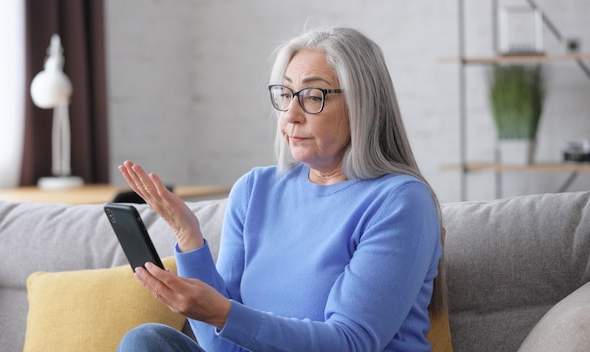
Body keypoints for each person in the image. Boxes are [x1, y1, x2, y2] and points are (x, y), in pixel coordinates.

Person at [116, 27, 446, 352]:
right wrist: (188, 235)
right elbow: (221, 345)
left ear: (363, 104)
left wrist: (223, 312)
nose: (291, 115)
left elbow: (350, 342)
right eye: (286, 95)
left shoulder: (400, 201)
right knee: (147, 342)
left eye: (313, 96)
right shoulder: (254, 190)